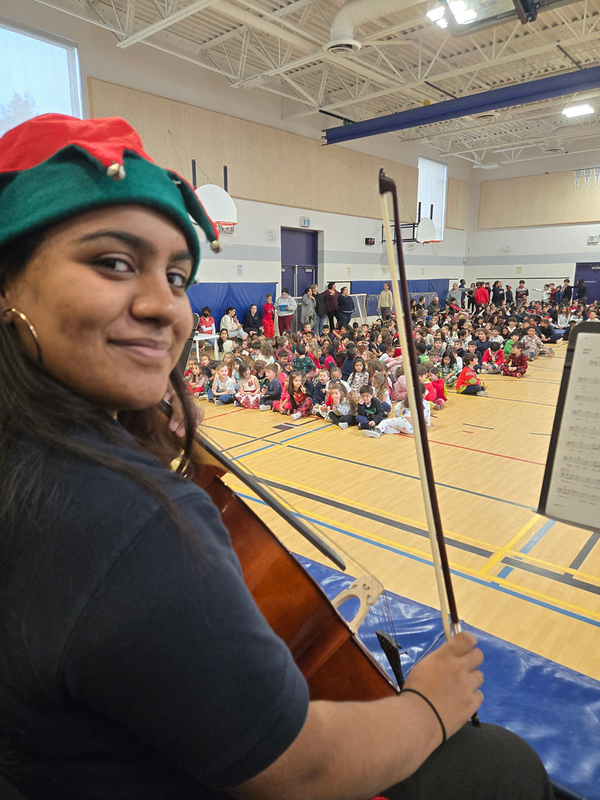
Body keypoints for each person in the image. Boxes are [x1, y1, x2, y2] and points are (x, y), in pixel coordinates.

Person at [0, 114, 557, 800]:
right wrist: (429, 707)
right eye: (114, 262)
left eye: (177, 276)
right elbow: (302, 768)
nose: (163, 307)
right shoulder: (127, 520)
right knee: (500, 768)